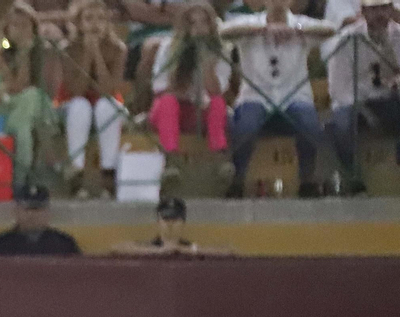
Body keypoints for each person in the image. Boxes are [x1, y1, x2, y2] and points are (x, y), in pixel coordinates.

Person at [218, 0, 336, 197]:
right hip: (255, 96)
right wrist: (263, 30)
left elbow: (330, 29)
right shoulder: (249, 22)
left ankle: (307, 180)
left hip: (294, 96)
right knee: (246, 126)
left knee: (310, 125)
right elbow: (224, 32)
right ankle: (237, 179)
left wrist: (295, 30)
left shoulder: (301, 23)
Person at [324, 0, 400, 195]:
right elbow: (338, 89)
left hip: (388, 99)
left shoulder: (398, 36)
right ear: (364, 11)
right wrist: (365, 109)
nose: (380, 15)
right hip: (354, 101)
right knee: (341, 124)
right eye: (374, 10)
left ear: (392, 10)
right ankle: (353, 180)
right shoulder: (347, 40)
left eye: (384, 8)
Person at [148, 1, 231, 173]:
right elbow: (160, 87)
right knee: (167, 102)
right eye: (193, 23)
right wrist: (180, 64)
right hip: (172, 109)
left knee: (218, 103)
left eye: (204, 22)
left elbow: (218, 91)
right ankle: (170, 158)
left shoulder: (221, 50)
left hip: (201, 111)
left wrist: (207, 68)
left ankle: (219, 156)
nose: (199, 29)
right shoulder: (168, 47)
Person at [0, 2, 61, 190]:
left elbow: (51, 89)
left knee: (27, 117)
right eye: (15, 26)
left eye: (25, 26)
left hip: (28, 109)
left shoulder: (40, 51)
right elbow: (18, 84)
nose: (20, 31)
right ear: (7, 28)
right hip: (4, 105)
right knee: (31, 98)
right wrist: (23, 51)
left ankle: (21, 179)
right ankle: (47, 163)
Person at [61, 0, 126, 198]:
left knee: (106, 107)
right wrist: (87, 55)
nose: (95, 24)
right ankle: (76, 173)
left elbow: (109, 89)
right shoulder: (68, 48)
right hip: (74, 103)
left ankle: (108, 173)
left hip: (107, 102)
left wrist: (96, 53)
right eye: (89, 19)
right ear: (79, 24)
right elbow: (77, 90)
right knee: (80, 107)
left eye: (100, 19)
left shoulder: (118, 49)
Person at [110, 196, 236, 255]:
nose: (170, 224)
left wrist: (185, 250)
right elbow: (117, 248)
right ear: (158, 222)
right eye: (166, 219)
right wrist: (158, 251)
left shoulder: (190, 248)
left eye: (175, 220)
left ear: (183, 223)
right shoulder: (150, 247)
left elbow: (228, 251)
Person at [0, 183, 82, 255]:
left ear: (48, 212)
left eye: (38, 209)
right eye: (27, 209)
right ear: (16, 211)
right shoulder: (0, 245)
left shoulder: (64, 245)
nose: (32, 214)